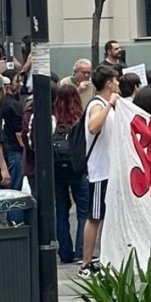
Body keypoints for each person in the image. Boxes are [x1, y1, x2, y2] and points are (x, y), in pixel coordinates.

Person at [80, 65, 120, 276]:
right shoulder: (97, 104)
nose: (119, 84)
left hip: (110, 169)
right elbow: (94, 127)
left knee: (106, 216)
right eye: (116, 80)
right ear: (108, 83)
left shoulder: (108, 104)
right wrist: (109, 106)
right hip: (99, 171)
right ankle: (86, 263)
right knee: (95, 217)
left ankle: (104, 258)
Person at [52, 84, 90, 265]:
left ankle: (65, 252)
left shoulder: (52, 119)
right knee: (84, 211)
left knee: (61, 211)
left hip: (57, 170)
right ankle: (82, 251)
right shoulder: (80, 119)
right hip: (78, 169)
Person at [0, 69, 25, 220]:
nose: (20, 84)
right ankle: (15, 220)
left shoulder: (1, 103)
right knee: (16, 189)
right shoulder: (15, 105)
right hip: (15, 150)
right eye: (18, 81)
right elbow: (18, 131)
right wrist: (25, 147)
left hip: (6, 147)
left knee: (11, 188)